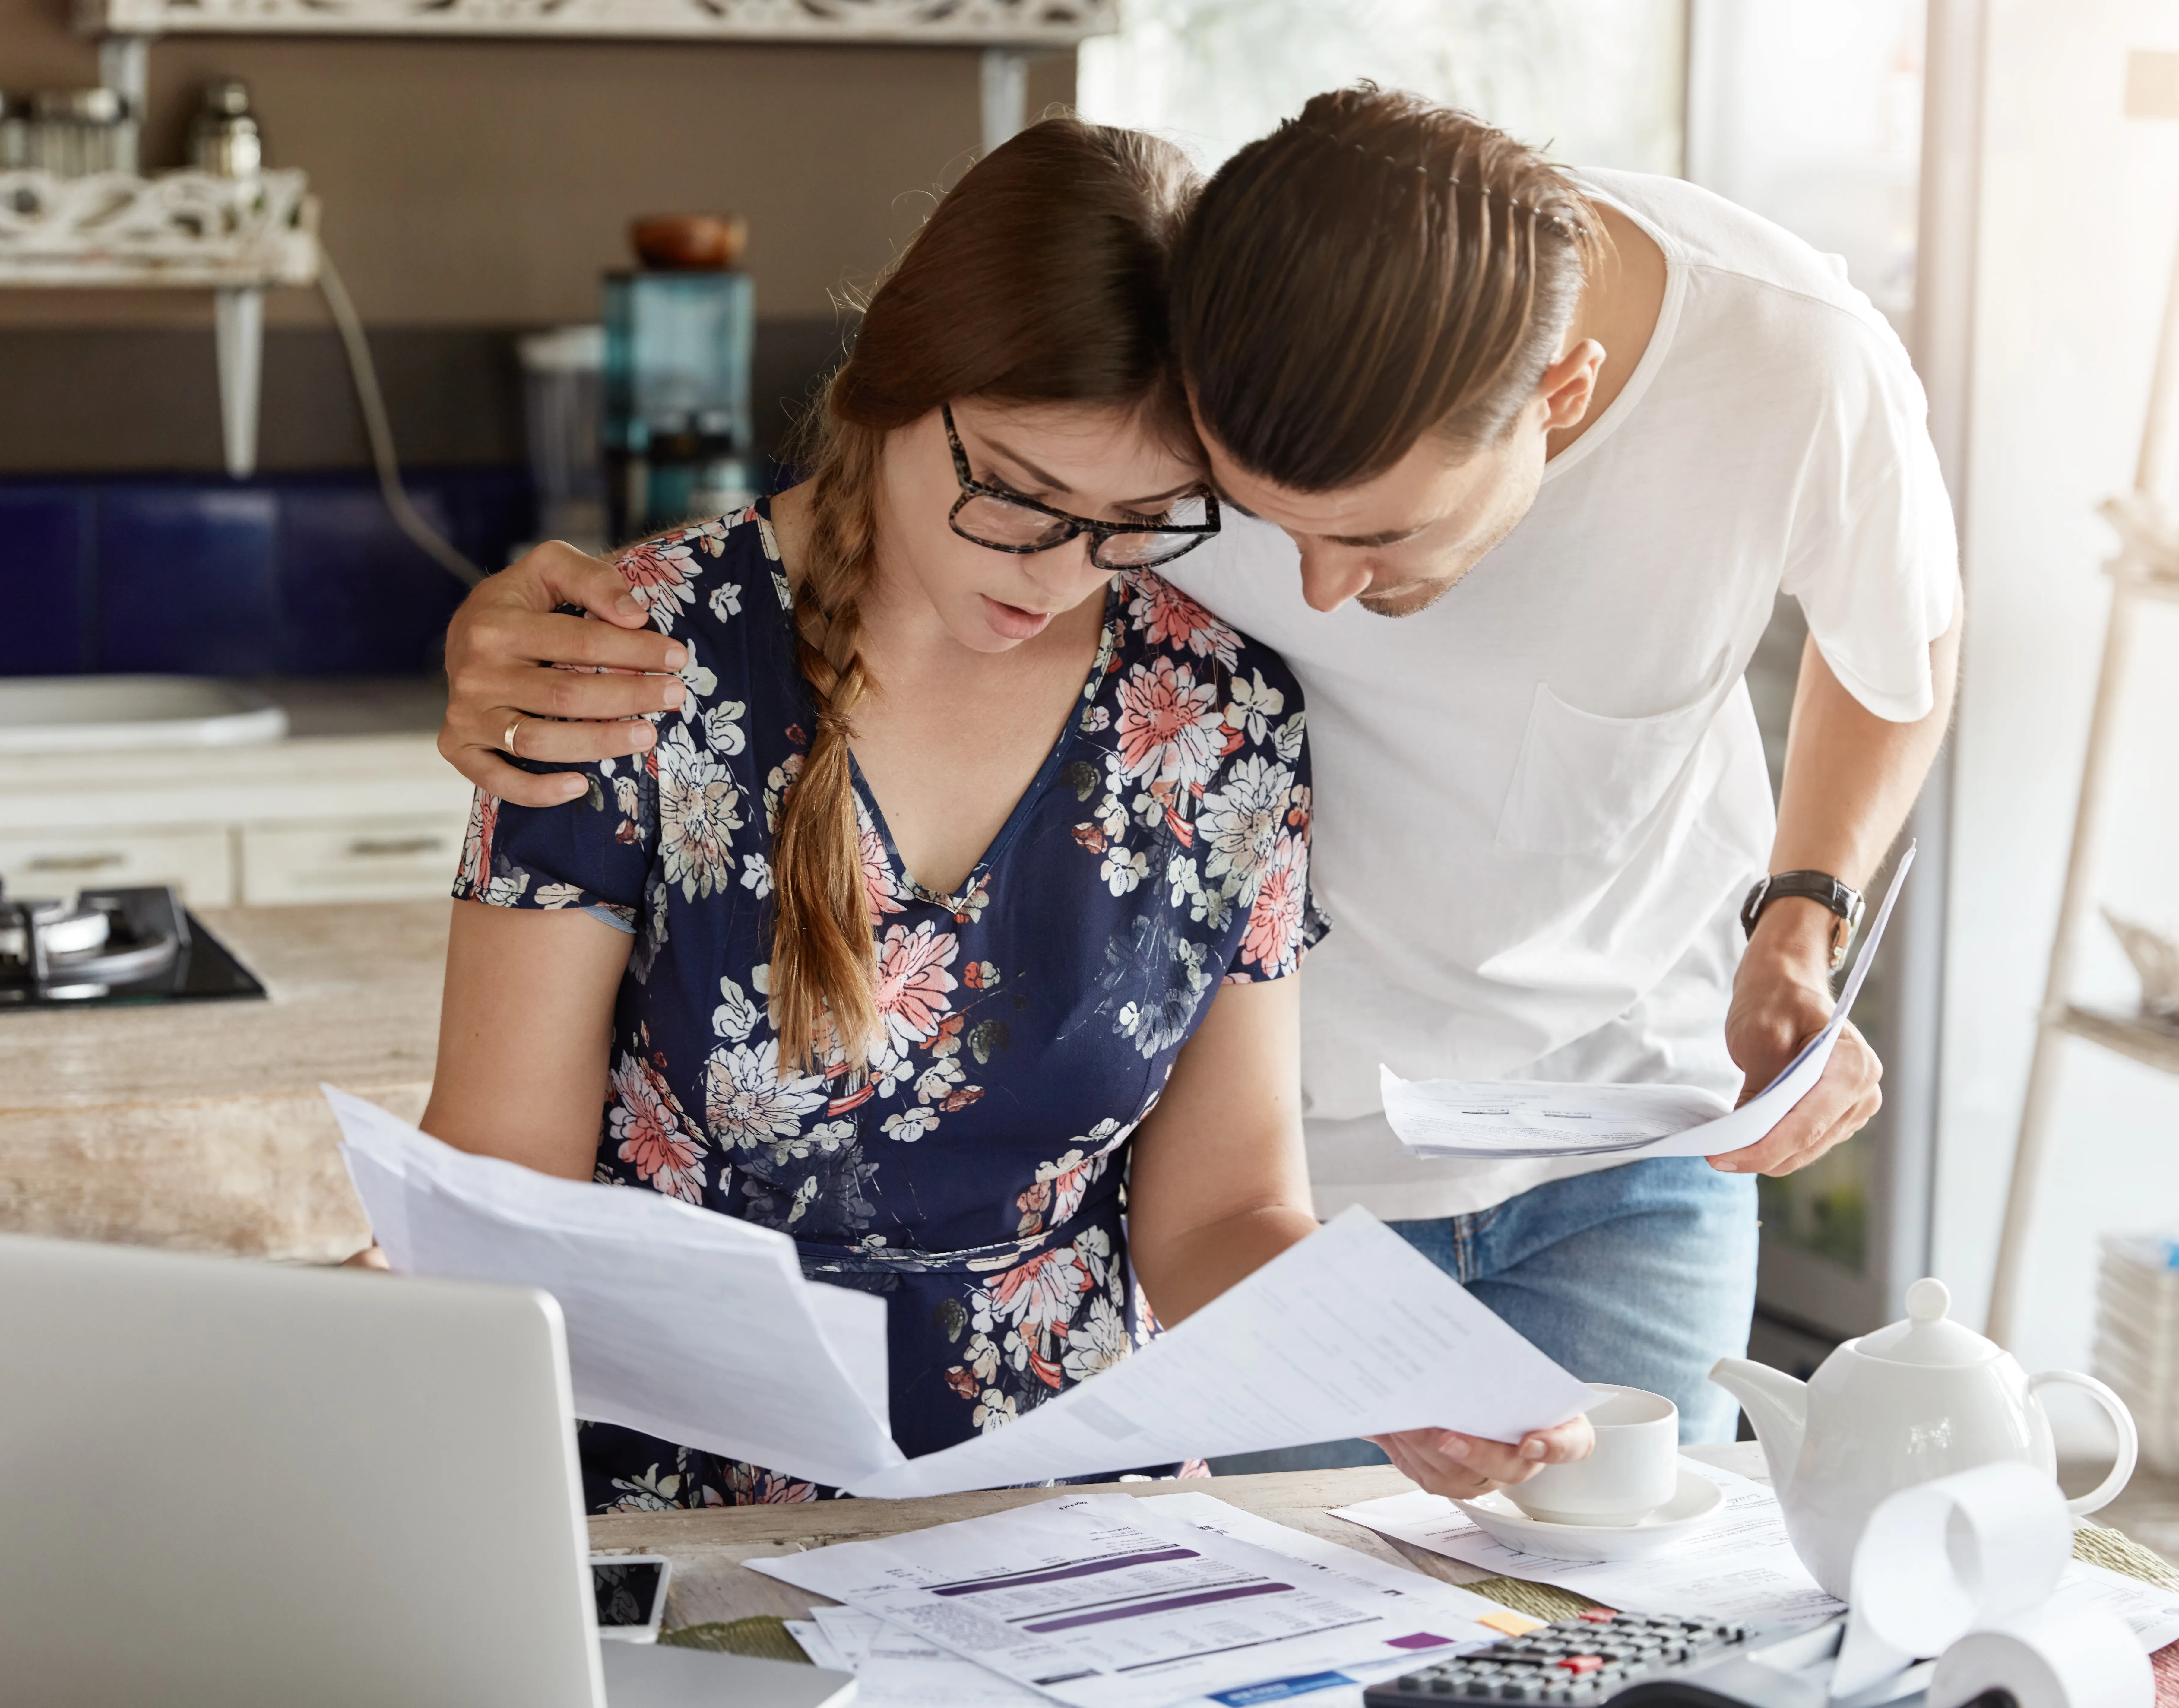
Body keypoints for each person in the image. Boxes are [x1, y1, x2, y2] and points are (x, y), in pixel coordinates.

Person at [431, 86, 1962, 1481]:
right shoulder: (637, 663)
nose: (1057, 570)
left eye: (1141, 521)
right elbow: (493, 1185)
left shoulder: (1213, 707)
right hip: (691, 1467)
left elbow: (1218, 1212)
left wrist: (1801, 915)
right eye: (1018, 497)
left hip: (1124, 1458)